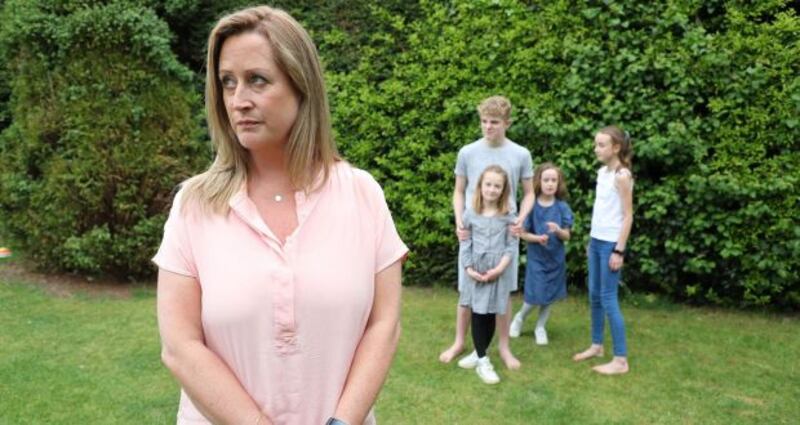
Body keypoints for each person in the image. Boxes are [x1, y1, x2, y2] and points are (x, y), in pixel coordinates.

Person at [153, 6, 408, 425]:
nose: (238, 101)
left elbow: (384, 324)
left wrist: (342, 422)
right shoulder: (194, 205)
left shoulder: (362, 195)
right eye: (227, 82)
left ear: (301, 86)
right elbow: (180, 346)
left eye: (257, 80)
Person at [439, 95, 534, 370]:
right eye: (484, 121)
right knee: (467, 290)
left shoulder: (520, 154)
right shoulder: (467, 152)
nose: (488, 127)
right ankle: (459, 342)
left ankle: (504, 348)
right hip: (472, 233)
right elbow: (458, 191)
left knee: (502, 291)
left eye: (494, 122)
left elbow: (529, 194)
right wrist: (459, 222)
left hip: (505, 234)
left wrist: (521, 220)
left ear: (507, 123)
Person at [572, 125, 633, 375]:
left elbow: (628, 216)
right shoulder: (602, 173)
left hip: (611, 244)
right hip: (597, 241)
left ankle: (620, 360)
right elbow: (602, 211)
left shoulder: (622, 176)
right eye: (596, 144)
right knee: (594, 295)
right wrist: (591, 240)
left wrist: (618, 251)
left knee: (608, 298)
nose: (596, 149)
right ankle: (597, 346)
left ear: (616, 148)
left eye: (601, 145)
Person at [458, 165, 518, 384]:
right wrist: (468, 268)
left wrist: (499, 269)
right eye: (488, 184)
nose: (492, 189)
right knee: (477, 313)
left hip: (497, 271)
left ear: (503, 190)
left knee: (491, 313)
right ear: (480, 186)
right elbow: (465, 241)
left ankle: (478, 353)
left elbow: (511, 245)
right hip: (475, 271)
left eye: (497, 186)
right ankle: (483, 359)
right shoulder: (471, 213)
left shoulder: (508, 216)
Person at [510, 162, 573, 345]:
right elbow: (522, 234)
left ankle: (540, 327)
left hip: (556, 259)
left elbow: (567, 235)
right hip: (537, 259)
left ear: (558, 183)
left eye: (554, 180)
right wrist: (538, 238)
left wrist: (559, 230)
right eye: (546, 180)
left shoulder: (562, 207)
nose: (550, 184)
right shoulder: (531, 207)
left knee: (549, 296)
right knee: (534, 295)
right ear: (539, 181)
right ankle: (520, 317)